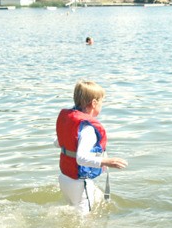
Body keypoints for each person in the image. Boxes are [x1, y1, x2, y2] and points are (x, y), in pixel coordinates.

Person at [54, 80, 128, 214]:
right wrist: (107, 162)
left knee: (98, 199)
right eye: (101, 102)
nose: (101, 105)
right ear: (94, 103)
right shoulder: (88, 129)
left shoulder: (72, 122)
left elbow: (57, 143)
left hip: (65, 179)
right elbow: (81, 159)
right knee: (84, 223)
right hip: (79, 183)